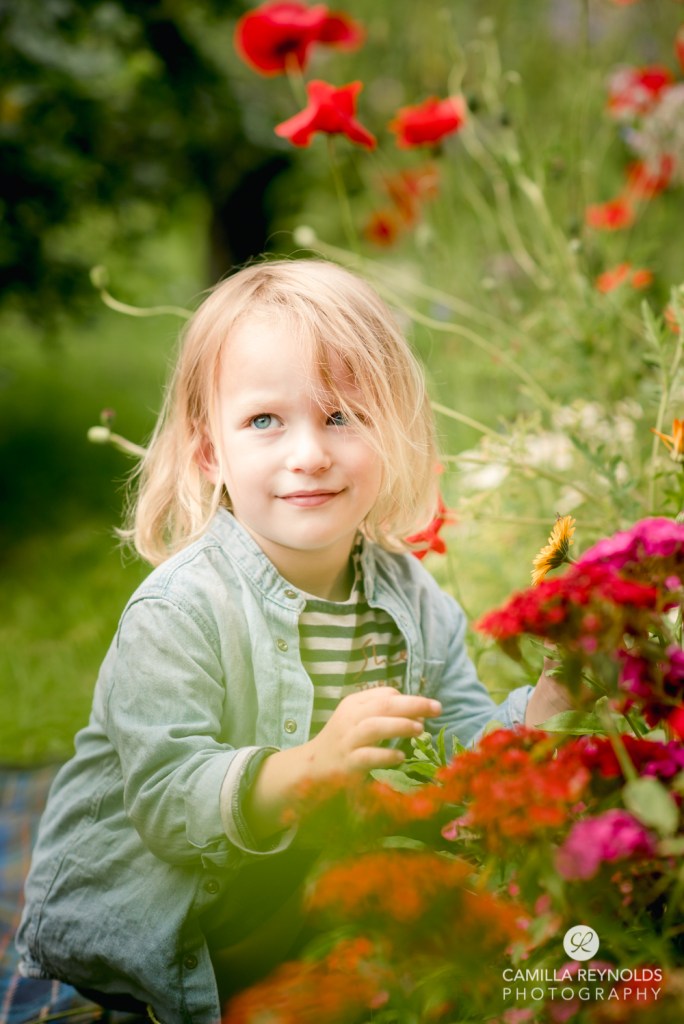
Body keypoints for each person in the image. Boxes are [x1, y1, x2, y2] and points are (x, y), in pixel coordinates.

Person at [16, 259, 570, 1024]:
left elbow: (461, 749)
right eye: (265, 421)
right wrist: (314, 765)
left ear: (393, 430)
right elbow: (169, 801)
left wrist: (554, 699)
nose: (308, 453)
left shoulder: (412, 600)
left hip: (311, 885)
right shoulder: (180, 611)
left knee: (440, 897)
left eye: (342, 416)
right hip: (183, 916)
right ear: (211, 452)